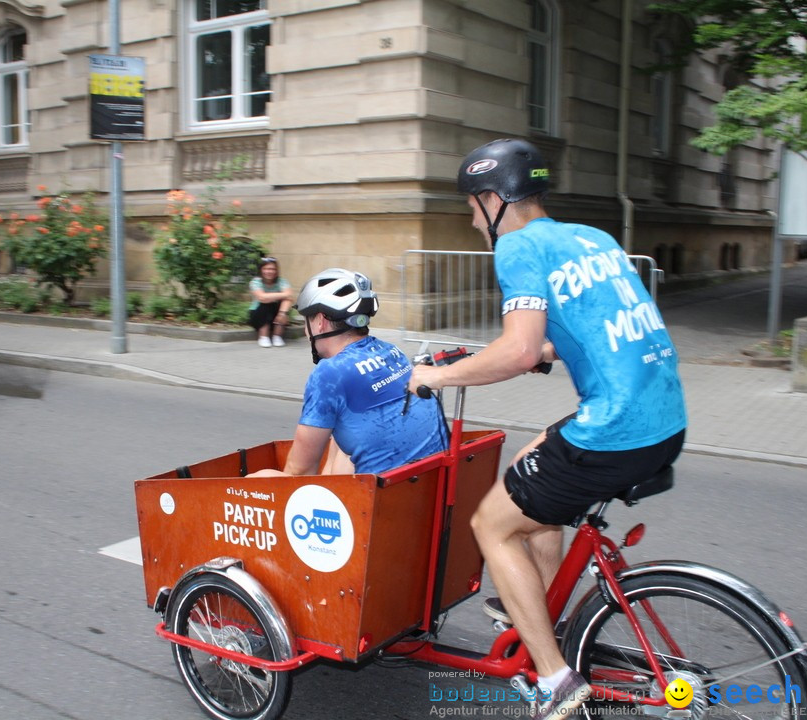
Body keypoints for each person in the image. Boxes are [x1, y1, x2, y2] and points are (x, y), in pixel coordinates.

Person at [407, 139, 687, 719]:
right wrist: (545, 352)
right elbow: (596, 328)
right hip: (664, 418)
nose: (472, 221)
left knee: (491, 523)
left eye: (471, 207)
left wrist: (436, 375)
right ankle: (540, 611)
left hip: (615, 428)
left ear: (492, 199)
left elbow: (515, 349)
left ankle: (555, 680)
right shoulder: (594, 238)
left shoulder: (516, 247)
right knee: (530, 464)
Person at [251, 268, 447, 477]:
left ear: (319, 321)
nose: (305, 331)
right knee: (340, 428)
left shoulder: (330, 373)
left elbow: (300, 471)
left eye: (306, 321)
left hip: (381, 496)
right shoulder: (392, 351)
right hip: (428, 481)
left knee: (256, 479)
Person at [248, 257, 293, 347]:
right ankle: (263, 336)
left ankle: (277, 336)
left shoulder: (282, 281)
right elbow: (262, 297)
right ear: (261, 270)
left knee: (285, 301)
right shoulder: (256, 282)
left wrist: (282, 313)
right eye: (266, 269)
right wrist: (282, 295)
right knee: (266, 304)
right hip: (258, 313)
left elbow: (289, 296)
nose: (269, 271)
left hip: (276, 315)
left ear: (276, 271)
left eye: (272, 269)